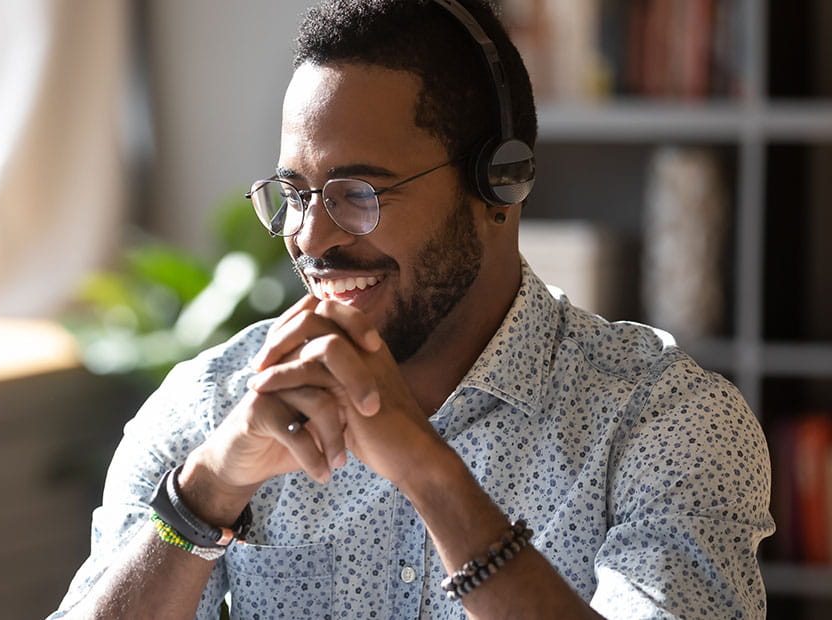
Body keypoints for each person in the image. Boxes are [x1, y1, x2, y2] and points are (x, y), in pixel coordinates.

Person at [50, 0, 774, 618]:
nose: (310, 237)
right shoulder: (209, 409)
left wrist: (432, 476)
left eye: (358, 193)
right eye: (295, 193)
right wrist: (203, 497)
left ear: (500, 183)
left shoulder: (666, 424)